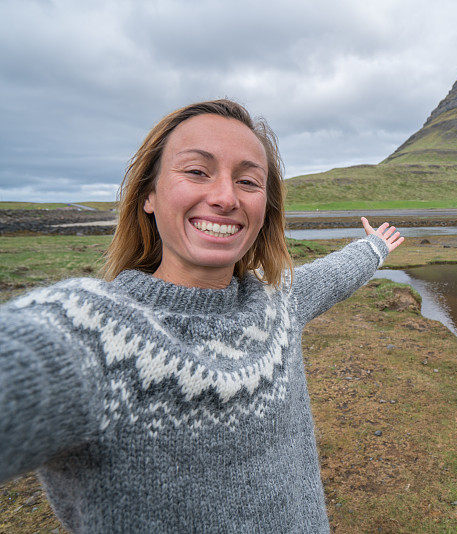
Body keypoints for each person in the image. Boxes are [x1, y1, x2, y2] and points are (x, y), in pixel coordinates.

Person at [0, 99, 403, 533]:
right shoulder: (92, 336)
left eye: (248, 181)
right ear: (148, 195)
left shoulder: (278, 304)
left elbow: (333, 275)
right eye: (196, 171)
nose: (225, 198)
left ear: (265, 207)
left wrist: (374, 247)